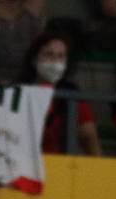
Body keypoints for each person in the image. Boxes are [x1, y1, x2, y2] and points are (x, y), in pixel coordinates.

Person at [19, 29, 101, 157]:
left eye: (60, 56)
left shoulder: (72, 94)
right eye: (49, 54)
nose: (54, 61)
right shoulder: (17, 91)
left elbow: (89, 138)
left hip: (60, 168)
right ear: (34, 59)